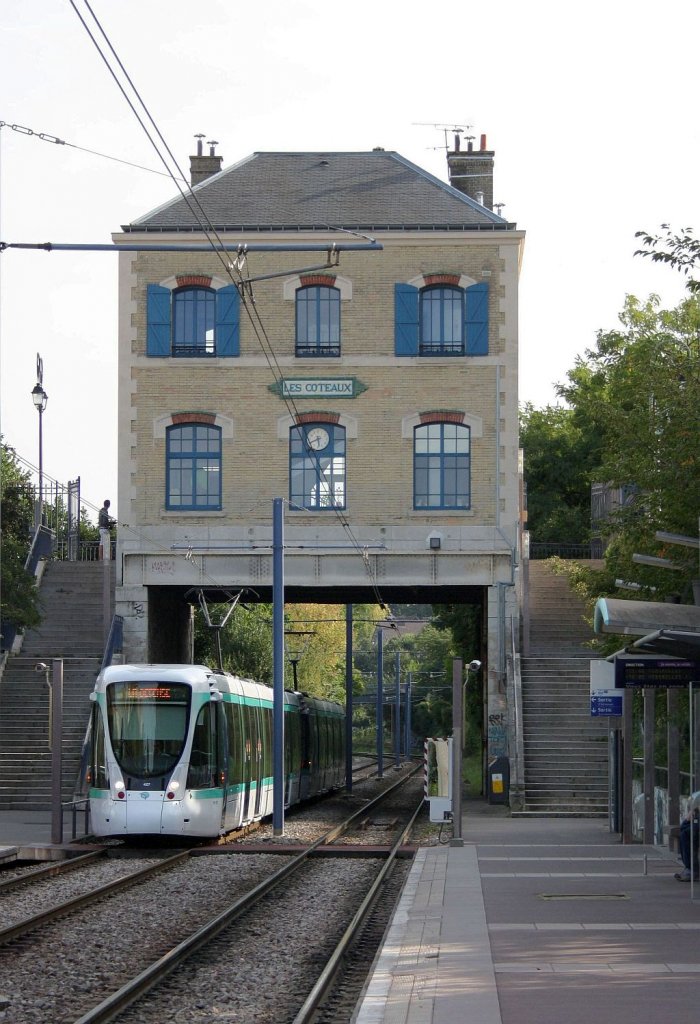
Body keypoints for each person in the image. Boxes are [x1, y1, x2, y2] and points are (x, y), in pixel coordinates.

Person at [675, 790, 700, 882]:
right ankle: (689, 868)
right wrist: (687, 819)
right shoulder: (696, 815)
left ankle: (692, 869)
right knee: (684, 835)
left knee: (687, 836)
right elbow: (683, 827)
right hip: (693, 837)